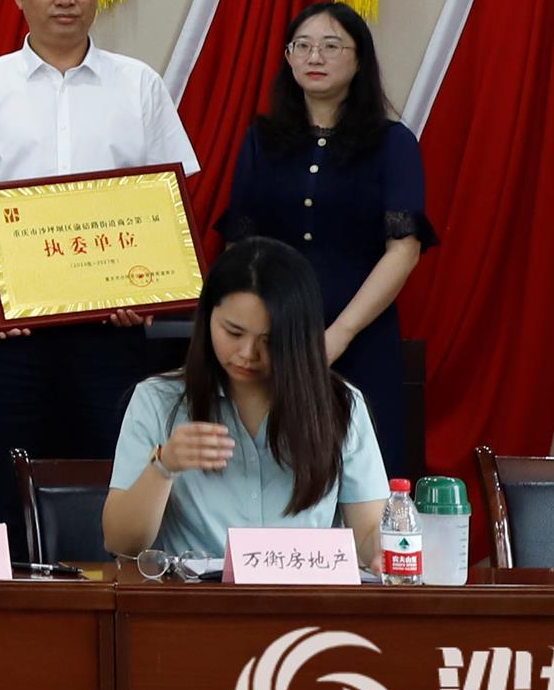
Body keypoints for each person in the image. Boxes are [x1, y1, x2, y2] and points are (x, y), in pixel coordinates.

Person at [0, 0, 196, 523]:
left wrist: (150, 285)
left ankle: (110, 582)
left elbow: (165, 200)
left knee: (112, 469)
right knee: (3, 470)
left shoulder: (139, 84)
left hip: (111, 325)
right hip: (9, 327)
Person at [219, 1, 434, 477]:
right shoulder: (261, 140)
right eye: (303, 46)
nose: (314, 57)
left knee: (365, 474)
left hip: (362, 337)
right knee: (270, 472)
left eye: (331, 46)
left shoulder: (393, 144)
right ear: (288, 57)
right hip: (271, 337)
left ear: (359, 60)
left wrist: (339, 335)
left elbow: (404, 250)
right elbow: (240, 247)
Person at [103, 237, 389, 566]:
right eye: (233, 332)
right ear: (206, 317)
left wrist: (384, 549)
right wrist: (164, 465)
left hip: (305, 593)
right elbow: (120, 543)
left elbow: (368, 535)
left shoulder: (339, 404)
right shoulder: (158, 401)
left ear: (299, 337)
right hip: (196, 596)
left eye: (270, 340)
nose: (247, 354)